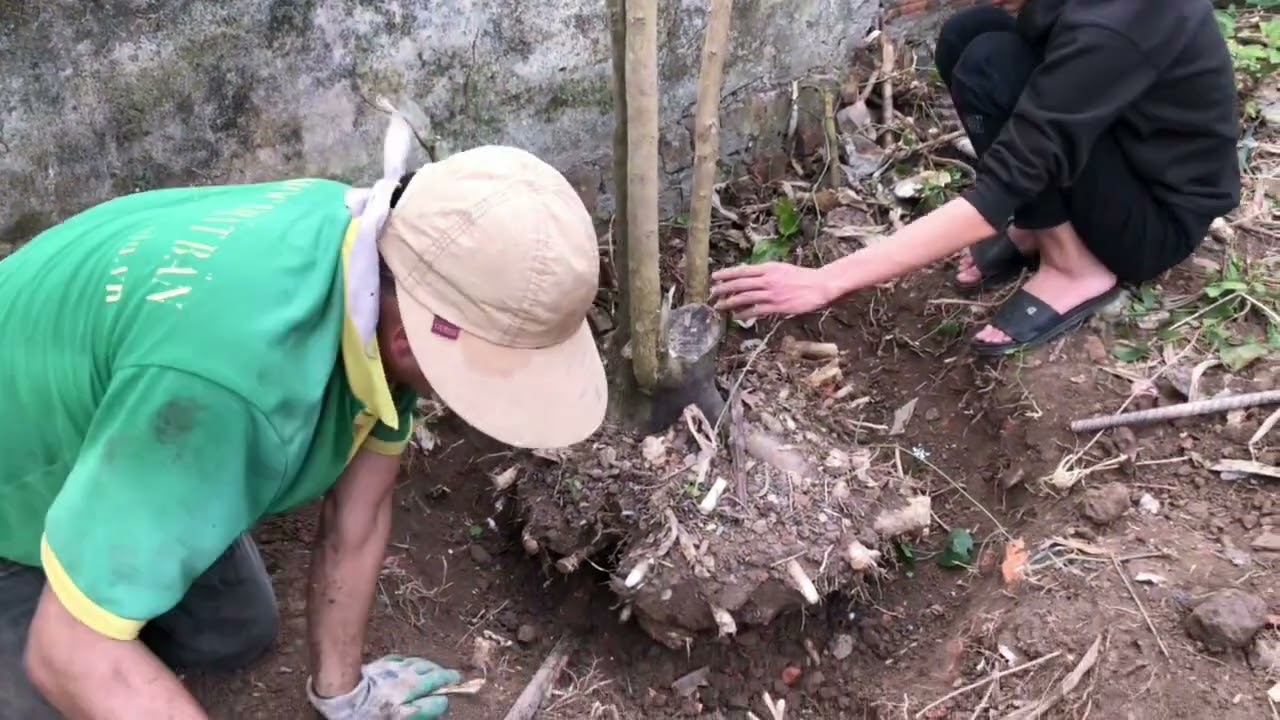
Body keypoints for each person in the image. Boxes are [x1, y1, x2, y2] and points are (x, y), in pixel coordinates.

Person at [0, 112, 607, 720]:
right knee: (63, 683)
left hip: (125, 410)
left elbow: (358, 514)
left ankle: (128, 540)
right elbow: (69, 653)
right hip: (19, 485)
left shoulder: (379, 256)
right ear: (410, 342)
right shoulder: (227, 385)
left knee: (234, 630)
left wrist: (346, 696)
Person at [711, 0, 1241, 355]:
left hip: (1156, 220)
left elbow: (997, 191)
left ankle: (1075, 267)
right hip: (1125, 151)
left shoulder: (1117, 25)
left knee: (990, 62)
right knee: (969, 36)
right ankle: (1044, 227)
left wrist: (827, 280)